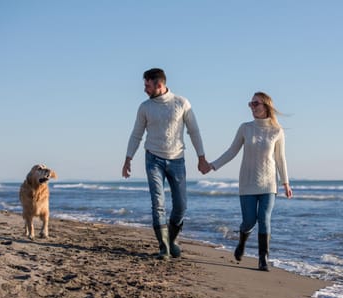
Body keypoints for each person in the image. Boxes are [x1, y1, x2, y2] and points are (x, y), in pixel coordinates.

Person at [122, 68, 209, 260]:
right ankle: (164, 248)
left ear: (159, 85)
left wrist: (201, 157)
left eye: (147, 85)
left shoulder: (181, 103)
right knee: (158, 203)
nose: (144, 89)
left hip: (177, 159)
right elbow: (136, 134)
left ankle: (171, 239)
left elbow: (194, 131)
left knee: (181, 206)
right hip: (153, 158)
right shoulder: (145, 107)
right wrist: (128, 158)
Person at [208, 92, 293, 271]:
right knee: (249, 221)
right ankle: (242, 241)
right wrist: (213, 165)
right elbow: (232, 151)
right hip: (247, 182)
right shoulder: (245, 128)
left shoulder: (277, 131)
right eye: (251, 104)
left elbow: (280, 158)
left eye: (256, 104)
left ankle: (263, 259)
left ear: (266, 106)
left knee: (264, 218)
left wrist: (285, 183)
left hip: (269, 183)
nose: (252, 107)